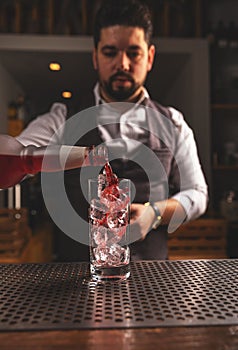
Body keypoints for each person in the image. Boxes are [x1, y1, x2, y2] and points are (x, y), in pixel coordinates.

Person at [0, 0, 208, 261]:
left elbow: (198, 195)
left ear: (150, 57)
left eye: (134, 53)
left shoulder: (173, 123)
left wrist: (154, 213)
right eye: (110, 52)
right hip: (72, 284)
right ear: (95, 57)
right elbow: (19, 153)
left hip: (152, 283)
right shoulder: (62, 118)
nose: (122, 63)